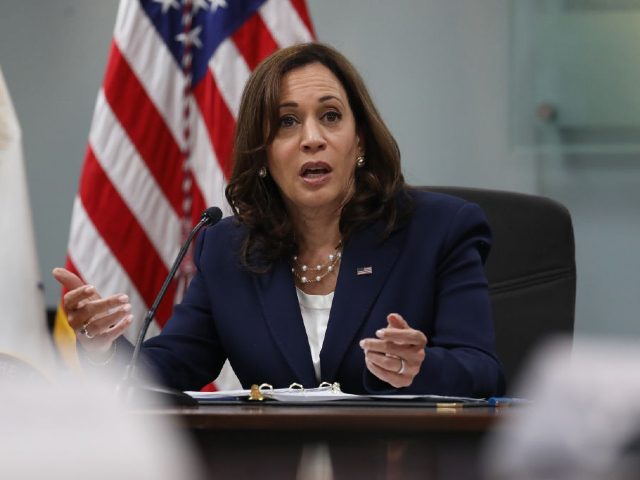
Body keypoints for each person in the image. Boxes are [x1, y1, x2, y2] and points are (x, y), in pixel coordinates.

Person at [53, 43, 505, 397]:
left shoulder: (439, 230)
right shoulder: (231, 249)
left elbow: (483, 372)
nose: (312, 139)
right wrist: (101, 346)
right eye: (287, 122)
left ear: (359, 139)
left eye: (331, 116)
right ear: (263, 153)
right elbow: (168, 368)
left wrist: (420, 368)